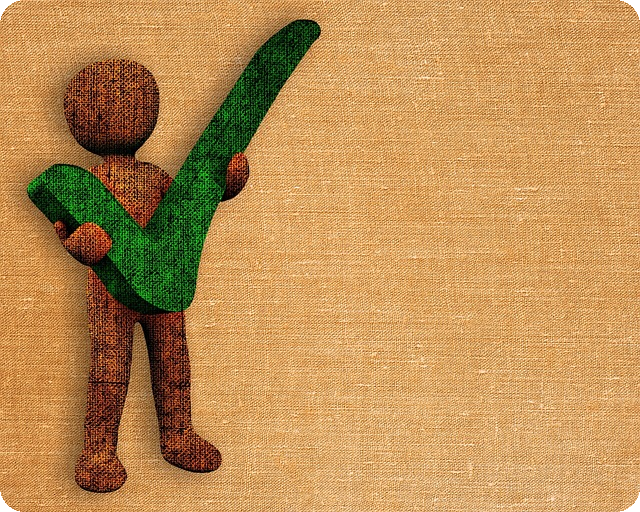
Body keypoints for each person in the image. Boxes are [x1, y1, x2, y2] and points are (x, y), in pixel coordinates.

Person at [55, 59, 249, 492]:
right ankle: (98, 450)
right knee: (109, 371)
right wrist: (81, 245)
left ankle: (178, 435)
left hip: (165, 282)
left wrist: (225, 182)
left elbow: (189, 207)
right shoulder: (84, 184)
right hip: (111, 293)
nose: (117, 111)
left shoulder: (155, 177)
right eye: (101, 104)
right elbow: (65, 230)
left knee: (173, 364)